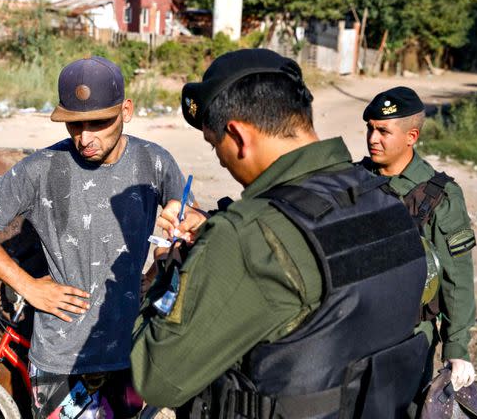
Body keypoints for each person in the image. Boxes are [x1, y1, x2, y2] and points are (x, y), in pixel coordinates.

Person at [131, 49, 429, 418]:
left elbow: (158, 377)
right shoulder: (382, 200)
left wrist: (169, 271)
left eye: (216, 146)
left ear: (238, 136)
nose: (222, 161)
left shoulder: (247, 235)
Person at [0, 56, 189, 418]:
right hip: (61, 362)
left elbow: (188, 223)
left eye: (99, 123)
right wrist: (28, 286)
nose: (86, 138)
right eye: (75, 126)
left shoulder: (154, 162)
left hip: (132, 353)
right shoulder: (40, 169)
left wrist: (160, 265)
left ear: (127, 110)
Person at [360, 86, 477, 396]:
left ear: (411, 137)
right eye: (370, 129)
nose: (373, 138)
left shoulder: (440, 195)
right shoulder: (353, 180)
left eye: (383, 131)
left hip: (409, 336)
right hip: (353, 328)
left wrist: (456, 348)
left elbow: (457, 278)